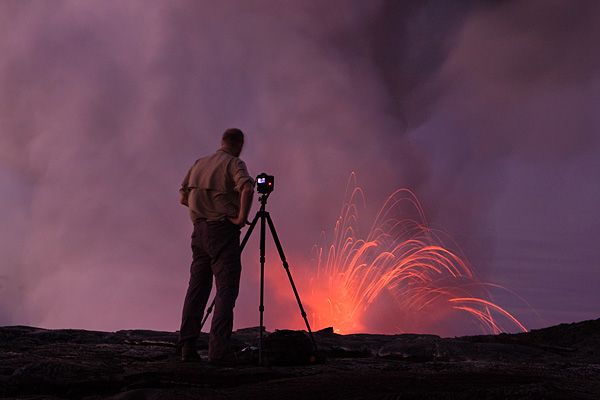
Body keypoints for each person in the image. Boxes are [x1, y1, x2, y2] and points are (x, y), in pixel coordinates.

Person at [178, 128, 254, 363]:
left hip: (198, 232)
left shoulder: (199, 163)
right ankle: (219, 352)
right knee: (226, 289)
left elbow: (182, 197)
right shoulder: (234, 163)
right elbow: (248, 188)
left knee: (197, 288)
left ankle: (187, 347)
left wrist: (203, 208)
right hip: (222, 230)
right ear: (239, 144)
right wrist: (240, 218)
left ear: (221, 141)